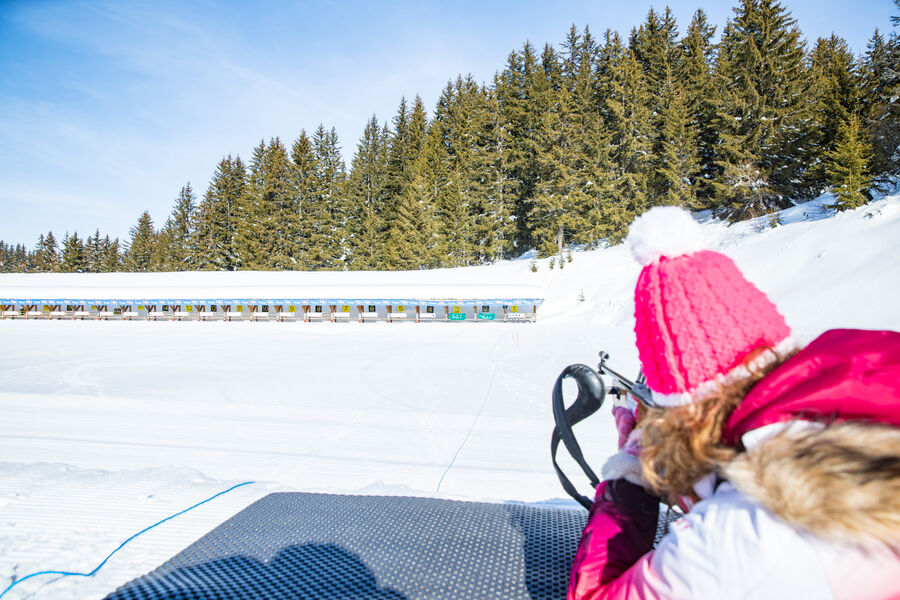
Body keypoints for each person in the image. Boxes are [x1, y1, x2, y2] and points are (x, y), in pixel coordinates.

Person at [568, 207, 900, 600]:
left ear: (687, 412)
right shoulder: (862, 397)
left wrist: (630, 478)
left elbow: (594, 594)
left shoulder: (744, 529)